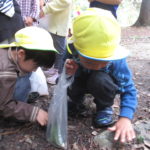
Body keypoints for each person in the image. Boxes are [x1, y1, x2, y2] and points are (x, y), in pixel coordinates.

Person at [65, 8, 137, 143]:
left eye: (104, 62)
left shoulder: (116, 61)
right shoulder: (71, 50)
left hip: (100, 83)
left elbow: (129, 89)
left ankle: (104, 107)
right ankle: (76, 101)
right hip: (80, 79)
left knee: (99, 78)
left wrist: (125, 118)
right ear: (77, 48)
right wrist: (67, 72)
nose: (98, 66)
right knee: (73, 77)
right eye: (91, 61)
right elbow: (60, 79)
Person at [0, 27, 58, 126]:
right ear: (21, 54)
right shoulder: (5, 73)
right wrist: (34, 112)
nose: (36, 70)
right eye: (36, 65)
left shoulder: (11, 48)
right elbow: (3, 106)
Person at [39, 0, 73, 84]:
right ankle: (55, 69)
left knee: (59, 52)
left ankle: (59, 74)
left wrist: (46, 8)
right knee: (55, 49)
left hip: (59, 27)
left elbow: (65, 2)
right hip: (55, 25)